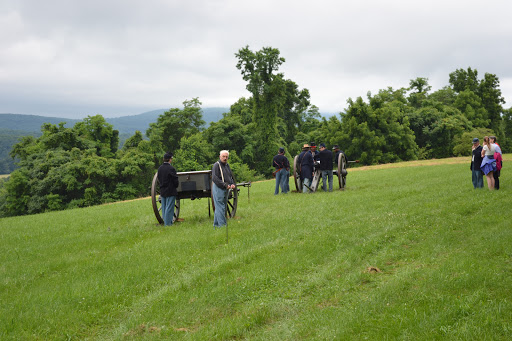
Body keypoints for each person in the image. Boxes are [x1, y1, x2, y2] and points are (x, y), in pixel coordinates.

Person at [212, 150, 236, 228]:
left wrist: (232, 184)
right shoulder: (216, 165)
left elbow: (230, 176)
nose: (225, 158)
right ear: (220, 157)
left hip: (225, 189)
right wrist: (225, 185)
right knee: (220, 207)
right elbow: (215, 178)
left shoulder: (227, 165)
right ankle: (222, 226)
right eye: (223, 156)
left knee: (221, 207)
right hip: (218, 188)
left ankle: (216, 225)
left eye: (226, 157)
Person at [157, 151, 179, 226]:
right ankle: (168, 224)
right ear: (170, 159)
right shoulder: (171, 168)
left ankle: (166, 223)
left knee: (164, 208)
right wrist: (176, 186)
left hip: (163, 191)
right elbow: (175, 180)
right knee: (169, 208)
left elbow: (159, 179)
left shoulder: (160, 169)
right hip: (170, 191)